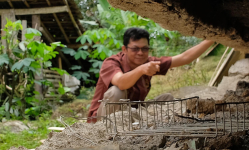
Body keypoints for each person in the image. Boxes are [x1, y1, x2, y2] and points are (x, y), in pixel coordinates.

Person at [87, 27, 215, 122]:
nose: (141, 53)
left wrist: (213, 38)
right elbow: (121, 82)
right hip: (103, 117)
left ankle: (148, 126)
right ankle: (108, 130)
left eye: (145, 49)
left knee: (167, 98)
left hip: (133, 112)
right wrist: (141, 69)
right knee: (116, 92)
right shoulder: (112, 63)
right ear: (124, 49)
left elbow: (184, 58)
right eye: (135, 49)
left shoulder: (149, 62)